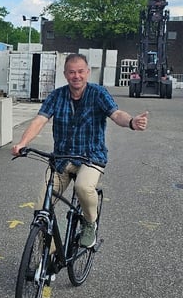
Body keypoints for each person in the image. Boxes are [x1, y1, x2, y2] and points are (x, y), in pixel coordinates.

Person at [12, 53, 148, 248]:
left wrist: (132, 122)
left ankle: (89, 223)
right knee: (41, 211)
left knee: (83, 187)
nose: (76, 76)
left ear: (87, 72)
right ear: (65, 74)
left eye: (80, 72)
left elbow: (116, 114)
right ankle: (47, 262)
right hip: (61, 159)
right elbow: (40, 120)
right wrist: (22, 143)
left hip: (91, 157)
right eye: (72, 72)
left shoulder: (98, 93)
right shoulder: (56, 96)